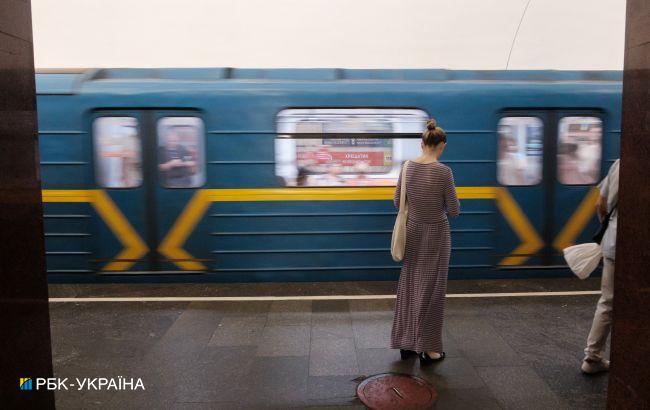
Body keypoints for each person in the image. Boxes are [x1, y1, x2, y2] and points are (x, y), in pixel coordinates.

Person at [391, 118, 460, 365]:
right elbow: (453, 209)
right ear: (441, 146)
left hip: (413, 232)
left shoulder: (407, 167)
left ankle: (405, 343)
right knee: (432, 291)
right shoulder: (444, 172)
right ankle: (429, 348)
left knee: (410, 286)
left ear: (422, 144)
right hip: (437, 235)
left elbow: (398, 202)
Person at [582, 158, 619, 374]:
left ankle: (592, 357)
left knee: (607, 302)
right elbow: (454, 208)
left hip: (614, 243)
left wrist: (608, 227)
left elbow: (600, 203)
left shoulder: (620, 164)